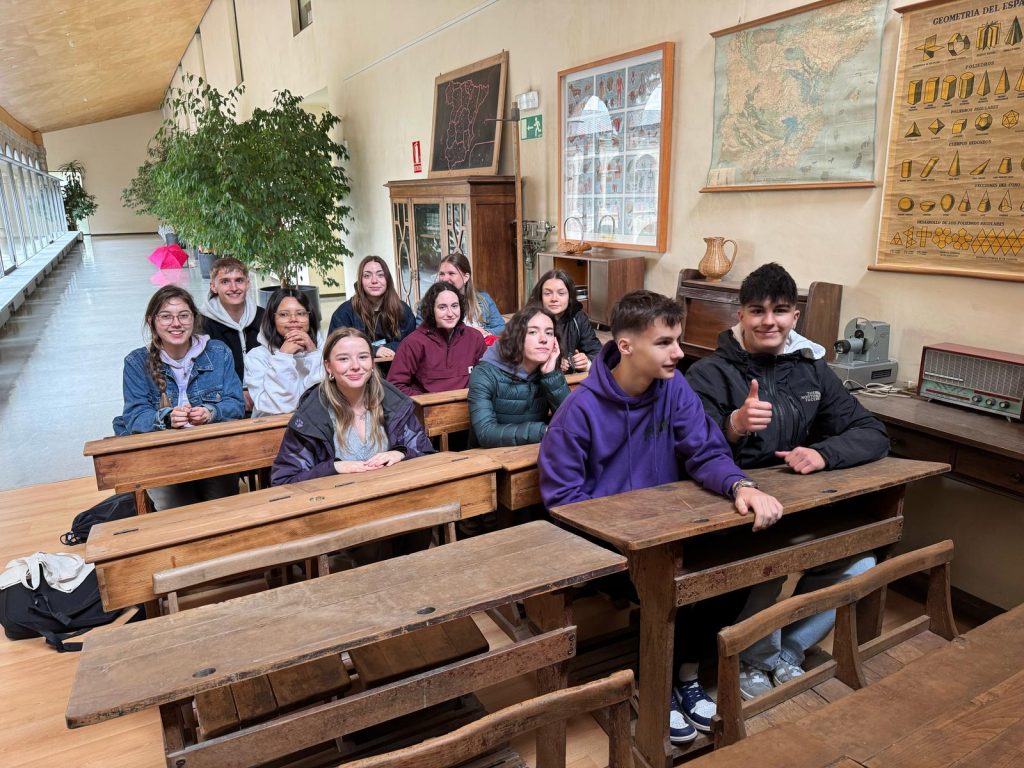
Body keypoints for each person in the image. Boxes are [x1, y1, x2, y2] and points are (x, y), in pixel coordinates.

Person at [538, 289, 784, 744]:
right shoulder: (579, 411)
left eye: (678, 340)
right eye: (665, 343)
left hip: (670, 531)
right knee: (671, 583)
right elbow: (564, 503)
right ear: (626, 346)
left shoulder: (674, 388)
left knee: (732, 567)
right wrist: (627, 537)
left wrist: (740, 485)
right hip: (610, 548)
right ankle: (655, 684)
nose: (678, 352)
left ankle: (683, 673)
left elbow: (705, 450)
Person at [685, 263, 888, 701]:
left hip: (800, 505)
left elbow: (872, 432)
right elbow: (691, 449)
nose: (768, 321)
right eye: (757, 311)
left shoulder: (811, 369)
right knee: (768, 566)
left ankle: (787, 651)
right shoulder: (708, 373)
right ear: (740, 315)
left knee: (860, 564)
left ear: (794, 316)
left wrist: (822, 453)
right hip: (733, 510)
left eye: (779, 311)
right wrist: (734, 425)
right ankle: (751, 658)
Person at [114, 285, 245, 510]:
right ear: (152, 321)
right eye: (166, 316)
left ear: (194, 319)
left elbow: (236, 404)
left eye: (183, 315)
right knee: (177, 510)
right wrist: (167, 418)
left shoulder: (218, 352)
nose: (176, 323)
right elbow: (135, 416)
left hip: (212, 450)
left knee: (223, 507)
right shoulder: (136, 362)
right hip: (162, 456)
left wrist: (210, 412)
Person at [271, 327, 434, 484]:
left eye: (363, 357)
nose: (355, 366)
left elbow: (427, 456)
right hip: (337, 500)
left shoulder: (394, 403)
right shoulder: (313, 414)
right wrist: (333, 468)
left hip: (392, 494)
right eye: (343, 359)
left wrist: (401, 454)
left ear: (372, 362)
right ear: (328, 366)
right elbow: (285, 480)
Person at [467, 304, 569, 447]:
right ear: (516, 336)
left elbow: (572, 422)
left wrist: (551, 376)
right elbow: (485, 433)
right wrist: (544, 431)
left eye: (549, 333)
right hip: (489, 457)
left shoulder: (549, 371)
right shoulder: (485, 373)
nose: (544, 339)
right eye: (533, 332)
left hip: (536, 452)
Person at [387, 280, 487, 396]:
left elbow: (487, 379)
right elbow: (395, 386)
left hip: (470, 404)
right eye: (442, 307)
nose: (450, 313)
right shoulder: (413, 343)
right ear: (431, 310)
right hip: (427, 406)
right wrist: (426, 401)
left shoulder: (475, 337)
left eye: (454, 306)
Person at [244, 287, 323, 417]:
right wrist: (283, 357)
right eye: (284, 314)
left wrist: (314, 354)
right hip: (272, 425)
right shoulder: (256, 357)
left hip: (316, 423)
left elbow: (323, 400)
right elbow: (281, 406)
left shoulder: (324, 349)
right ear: (272, 319)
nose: (293, 319)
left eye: (300, 313)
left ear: (310, 317)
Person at [198, 256, 264, 410]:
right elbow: (203, 372)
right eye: (225, 281)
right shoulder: (201, 325)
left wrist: (256, 391)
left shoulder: (264, 318)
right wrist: (237, 392)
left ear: (248, 283)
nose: (233, 287)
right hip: (221, 403)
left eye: (239, 280)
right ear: (213, 286)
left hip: (264, 397)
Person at [328, 255, 415, 363]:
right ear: (360, 281)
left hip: (396, 369)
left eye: (380, 275)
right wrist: (372, 350)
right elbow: (335, 347)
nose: (374, 281)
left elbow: (412, 344)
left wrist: (389, 348)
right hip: (359, 370)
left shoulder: (403, 310)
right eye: (367, 276)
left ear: (388, 279)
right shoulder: (344, 313)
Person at [530, 268, 602, 373]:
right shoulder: (529, 319)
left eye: (561, 293)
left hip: (572, 380)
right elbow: (519, 359)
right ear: (540, 296)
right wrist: (552, 364)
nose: (554, 299)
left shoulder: (578, 318)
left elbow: (598, 352)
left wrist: (587, 362)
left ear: (570, 296)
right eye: (548, 293)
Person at [436, 252, 505, 336]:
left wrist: (485, 332)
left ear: (466, 277)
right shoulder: (430, 303)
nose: (445, 279)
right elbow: (424, 335)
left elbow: (501, 327)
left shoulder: (483, 299)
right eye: (442, 274)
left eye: (451, 273)